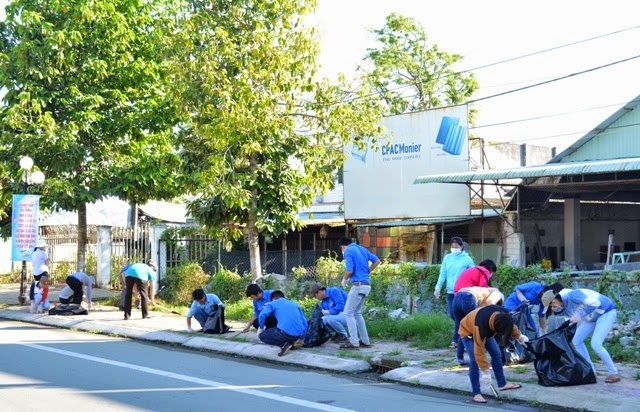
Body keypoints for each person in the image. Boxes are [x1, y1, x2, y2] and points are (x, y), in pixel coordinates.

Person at [541, 288, 620, 384]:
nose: (553, 307)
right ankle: (591, 371)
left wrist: (580, 315)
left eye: (553, 304)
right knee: (576, 340)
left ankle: (613, 372)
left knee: (596, 344)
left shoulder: (573, 295)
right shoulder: (564, 307)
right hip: (592, 317)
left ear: (555, 299)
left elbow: (595, 303)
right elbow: (569, 323)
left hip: (606, 312)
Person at [459, 305, 527, 403]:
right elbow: (479, 351)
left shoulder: (503, 314)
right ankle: (476, 393)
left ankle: (502, 384)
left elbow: (510, 325)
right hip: (468, 333)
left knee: (496, 354)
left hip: (487, 331)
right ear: (495, 328)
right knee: (475, 360)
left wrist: (520, 337)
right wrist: (485, 371)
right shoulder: (480, 326)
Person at [338, 236, 380, 349]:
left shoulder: (348, 251)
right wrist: (368, 271)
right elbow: (377, 261)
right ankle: (365, 341)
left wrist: (344, 280)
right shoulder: (362, 249)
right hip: (366, 285)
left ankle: (354, 342)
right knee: (357, 313)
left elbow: (349, 270)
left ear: (342, 246)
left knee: (348, 313)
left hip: (358, 285)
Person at [434, 236, 475, 348]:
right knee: (452, 314)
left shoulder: (467, 259)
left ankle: (455, 340)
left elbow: (474, 273)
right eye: (452, 247)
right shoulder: (447, 258)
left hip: (462, 292)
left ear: (461, 247)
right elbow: (443, 273)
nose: (454, 249)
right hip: (450, 291)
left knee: (457, 316)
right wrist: (438, 287)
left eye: (456, 247)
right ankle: (467, 331)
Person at [452, 286, 504, 365]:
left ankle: (460, 358)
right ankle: (477, 358)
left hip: (457, 299)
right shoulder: (497, 293)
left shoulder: (484, 292)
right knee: (475, 329)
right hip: (468, 298)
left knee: (462, 329)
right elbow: (490, 303)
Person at [257, 290, 308, 356]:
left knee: (262, 336)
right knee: (279, 329)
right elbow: (305, 323)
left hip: (285, 334)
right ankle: (290, 343)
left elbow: (262, 315)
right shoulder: (294, 304)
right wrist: (301, 339)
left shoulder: (272, 303)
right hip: (298, 334)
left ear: (273, 299)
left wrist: (261, 328)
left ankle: (284, 345)